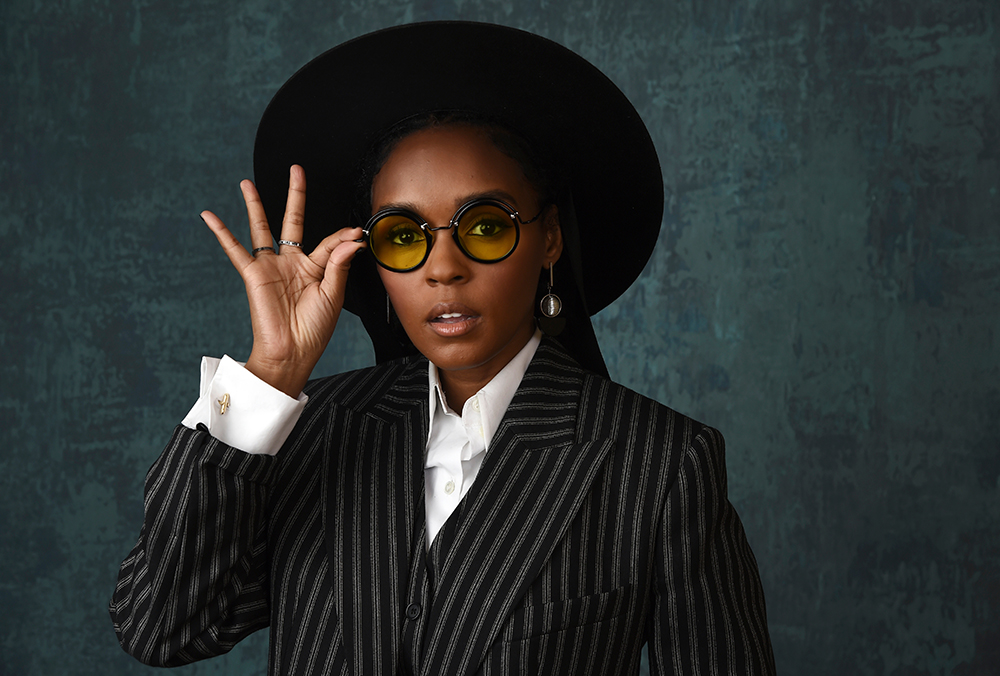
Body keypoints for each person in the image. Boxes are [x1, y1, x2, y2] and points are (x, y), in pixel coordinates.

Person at [110, 21, 775, 675]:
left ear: (549, 240)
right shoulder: (310, 432)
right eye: (405, 235)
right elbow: (162, 626)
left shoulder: (661, 464)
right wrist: (269, 376)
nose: (443, 268)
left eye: (485, 227)